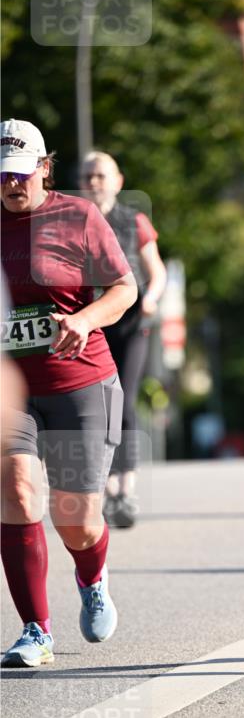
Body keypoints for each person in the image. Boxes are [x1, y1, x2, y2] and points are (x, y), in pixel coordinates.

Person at [1, 119, 137, 667]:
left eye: (21, 174)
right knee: (16, 491)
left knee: (75, 515)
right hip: (11, 388)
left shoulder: (78, 216)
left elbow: (124, 288)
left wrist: (84, 319)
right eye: (2, 176)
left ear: (44, 168)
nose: (12, 185)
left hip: (81, 379)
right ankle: (36, 630)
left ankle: (92, 575)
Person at [80, 151, 166, 528]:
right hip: (90, 324)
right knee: (94, 406)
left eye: (100, 175)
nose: (94, 182)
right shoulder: (70, 222)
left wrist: (150, 298)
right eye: (87, 177)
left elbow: (156, 270)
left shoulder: (134, 221)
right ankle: (104, 487)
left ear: (117, 180)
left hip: (131, 323)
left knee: (124, 401)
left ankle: (124, 490)